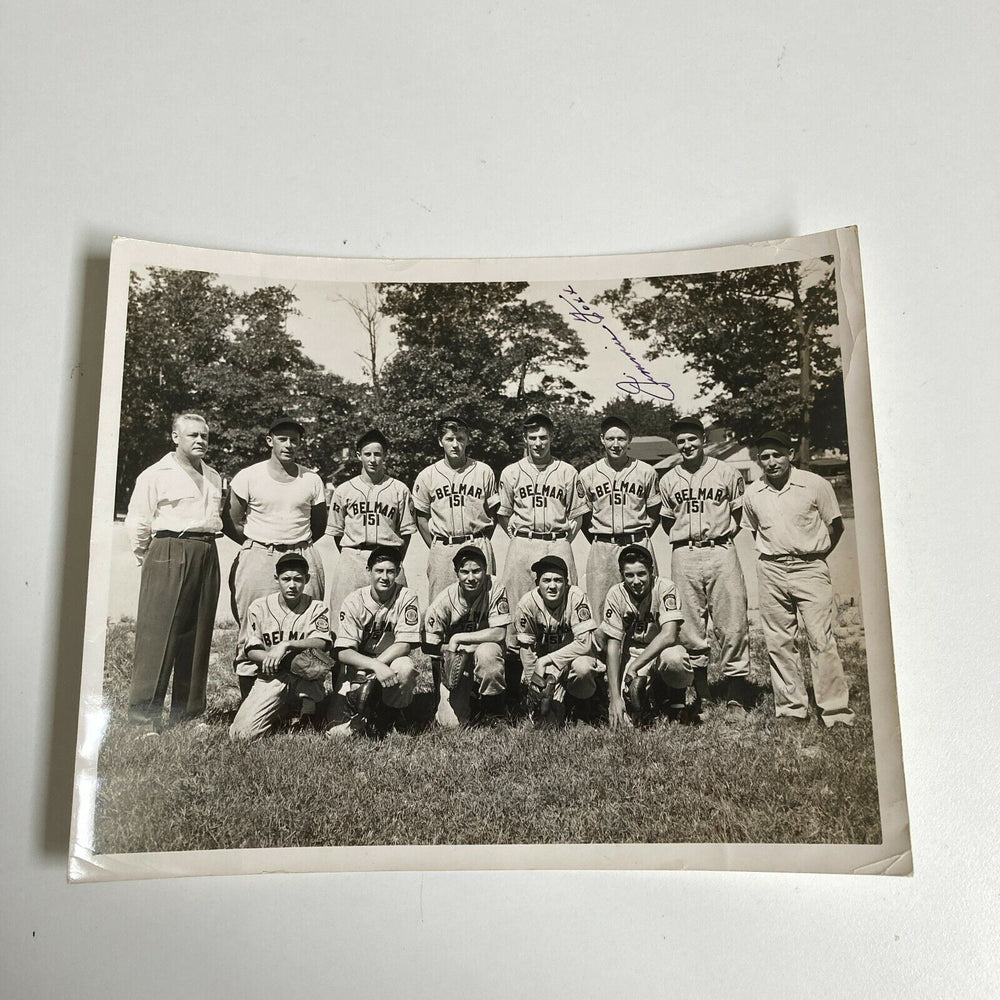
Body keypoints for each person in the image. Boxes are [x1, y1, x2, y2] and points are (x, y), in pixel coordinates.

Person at [741, 430, 855, 728]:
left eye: (776, 454)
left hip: (810, 567)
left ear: (789, 454)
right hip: (771, 569)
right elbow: (756, 531)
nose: (771, 462)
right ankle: (792, 708)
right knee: (778, 641)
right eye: (764, 457)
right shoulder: (753, 492)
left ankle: (835, 711)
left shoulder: (814, 484)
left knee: (821, 639)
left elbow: (836, 527)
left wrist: (814, 556)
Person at [124, 413, 225, 732]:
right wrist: (152, 558)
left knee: (197, 636)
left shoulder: (213, 476)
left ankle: (188, 714)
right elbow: (138, 522)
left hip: (207, 551)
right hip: (169, 548)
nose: (200, 441)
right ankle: (144, 717)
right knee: (158, 635)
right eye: (193, 435)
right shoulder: (156, 474)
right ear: (175, 437)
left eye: (205, 436)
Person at [227, 416, 328, 699]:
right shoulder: (249, 475)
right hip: (260, 553)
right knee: (253, 625)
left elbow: (318, 524)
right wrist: (258, 545)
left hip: (300, 552)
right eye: (282, 438)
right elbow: (232, 521)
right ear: (270, 440)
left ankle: (304, 704)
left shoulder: (312, 478)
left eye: (295, 439)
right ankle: (251, 701)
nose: (289, 444)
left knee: (306, 622)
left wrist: (295, 548)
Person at [658, 416, 751, 720]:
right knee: (688, 624)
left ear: (703, 439)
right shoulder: (669, 478)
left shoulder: (726, 471)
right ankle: (702, 692)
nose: (687, 445)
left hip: (720, 549)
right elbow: (667, 520)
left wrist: (719, 537)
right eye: (681, 441)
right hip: (684, 551)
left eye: (692, 439)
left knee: (731, 619)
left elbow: (738, 515)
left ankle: (736, 694)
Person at [494, 412, 589, 642]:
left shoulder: (567, 471)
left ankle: (562, 661)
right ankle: (516, 662)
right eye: (533, 437)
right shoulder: (511, 472)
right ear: (525, 439)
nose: (538, 443)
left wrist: (563, 540)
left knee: (564, 602)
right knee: (516, 603)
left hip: (557, 542)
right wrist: (517, 537)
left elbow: (578, 515)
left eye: (543, 437)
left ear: (551, 438)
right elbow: (503, 513)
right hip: (523, 544)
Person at [228, 553, 333, 741]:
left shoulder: (317, 607)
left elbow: (322, 642)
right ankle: (283, 710)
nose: (292, 585)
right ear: (277, 579)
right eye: (286, 579)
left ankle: (308, 711)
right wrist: (272, 659)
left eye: (298, 579)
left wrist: (285, 645)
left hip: (305, 675)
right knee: (241, 734)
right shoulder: (259, 607)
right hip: (271, 675)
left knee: (314, 660)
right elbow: (251, 649)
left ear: (307, 579)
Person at [324, 546, 422, 739]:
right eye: (379, 571)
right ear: (369, 571)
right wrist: (373, 667)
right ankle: (366, 713)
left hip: (391, 662)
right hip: (359, 666)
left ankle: (393, 715)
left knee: (405, 667)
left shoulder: (406, 597)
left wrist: (378, 666)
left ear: (398, 573)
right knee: (335, 729)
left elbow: (404, 644)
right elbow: (343, 652)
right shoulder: (354, 600)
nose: (384, 577)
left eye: (390, 571)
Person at [326, 429, 416, 620]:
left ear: (385, 456)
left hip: (388, 554)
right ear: (359, 455)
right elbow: (337, 532)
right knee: (344, 615)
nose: (373, 459)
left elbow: (406, 531)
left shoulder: (399, 489)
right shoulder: (344, 490)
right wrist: (351, 552)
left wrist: (396, 558)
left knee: (393, 616)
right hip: (353, 556)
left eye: (377, 454)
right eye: (367, 454)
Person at [601, 544, 693, 728]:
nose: (636, 581)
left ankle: (676, 702)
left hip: (662, 649)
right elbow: (613, 646)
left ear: (651, 571)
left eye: (641, 573)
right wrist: (615, 698)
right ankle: (654, 695)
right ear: (621, 574)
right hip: (633, 650)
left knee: (674, 659)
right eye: (629, 575)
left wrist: (635, 666)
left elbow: (668, 634)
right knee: (627, 721)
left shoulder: (665, 587)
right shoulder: (615, 594)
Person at [579, 415, 661, 621]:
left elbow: (654, 513)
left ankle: (642, 650)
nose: (616, 444)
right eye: (610, 439)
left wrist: (639, 536)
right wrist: (602, 540)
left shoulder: (646, 472)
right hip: (603, 547)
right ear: (601, 439)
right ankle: (603, 652)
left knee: (645, 604)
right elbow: (585, 516)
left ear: (630, 439)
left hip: (638, 541)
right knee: (600, 605)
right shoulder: (588, 474)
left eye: (621, 439)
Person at [423, 544, 512, 727]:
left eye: (476, 571)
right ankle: (466, 697)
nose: (471, 578)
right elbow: (429, 645)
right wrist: (450, 652)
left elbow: (499, 632)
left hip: (484, 648)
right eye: (465, 572)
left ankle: (493, 710)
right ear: (457, 573)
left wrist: (459, 638)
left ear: (485, 570)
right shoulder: (443, 601)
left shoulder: (494, 587)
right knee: (450, 724)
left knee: (488, 654)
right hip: (457, 657)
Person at [412, 414, 498, 600]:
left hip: (477, 543)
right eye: (449, 439)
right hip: (444, 547)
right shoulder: (427, 475)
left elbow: (493, 513)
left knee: (483, 603)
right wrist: (436, 545)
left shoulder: (483, 471)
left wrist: (480, 539)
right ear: (440, 441)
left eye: (460, 438)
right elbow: (421, 517)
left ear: (468, 440)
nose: (455, 444)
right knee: (441, 604)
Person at [513, 555, 601, 724]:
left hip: (572, 661)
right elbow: (526, 649)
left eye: (558, 580)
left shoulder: (576, 596)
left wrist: (546, 660)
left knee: (583, 667)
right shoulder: (527, 603)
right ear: (537, 583)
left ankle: (582, 712)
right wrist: (535, 685)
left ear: (566, 583)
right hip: (545, 669)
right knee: (547, 722)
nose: (552, 586)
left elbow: (584, 643)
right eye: (546, 580)